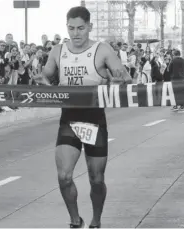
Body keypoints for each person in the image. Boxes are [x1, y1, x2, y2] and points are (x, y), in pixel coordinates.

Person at [32, 6, 131, 228]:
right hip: (69, 120)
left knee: (96, 180)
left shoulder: (102, 49)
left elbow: (127, 79)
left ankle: (96, 221)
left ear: (90, 27)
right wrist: (40, 79)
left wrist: (118, 82)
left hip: (94, 120)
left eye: (80, 28)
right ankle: (75, 220)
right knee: (64, 176)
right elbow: (46, 78)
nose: (75, 33)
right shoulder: (58, 51)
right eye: (71, 28)